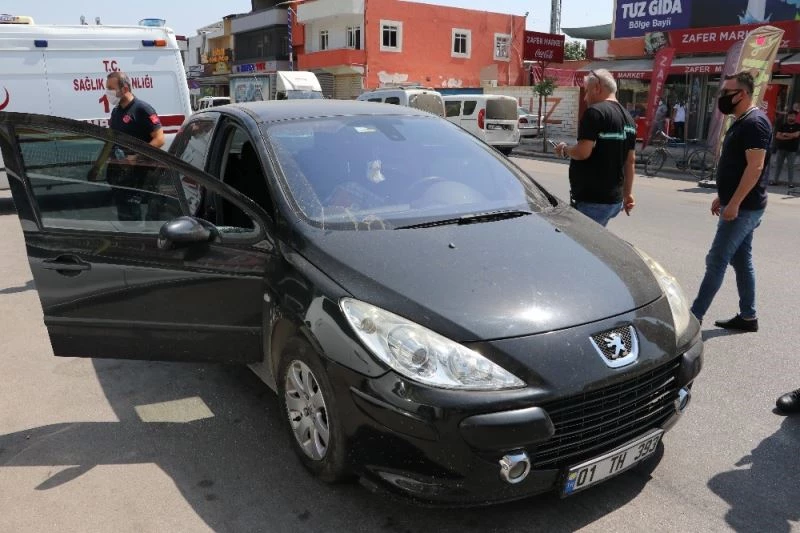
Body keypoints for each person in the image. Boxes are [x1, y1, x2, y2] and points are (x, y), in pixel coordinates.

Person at [690, 72, 771, 332]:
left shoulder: (755, 123)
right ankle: (748, 317)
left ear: (742, 94)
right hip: (740, 204)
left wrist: (734, 203)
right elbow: (737, 166)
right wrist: (723, 197)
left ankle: (694, 317)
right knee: (740, 259)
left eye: (726, 92)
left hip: (744, 208)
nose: (722, 97)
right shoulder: (741, 121)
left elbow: (755, 167)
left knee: (716, 259)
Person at [555, 69, 636, 226]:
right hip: (614, 200)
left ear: (597, 87)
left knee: (583, 245)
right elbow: (630, 161)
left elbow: (582, 152)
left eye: (587, 91)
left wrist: (564, 149)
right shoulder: (628, 118)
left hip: (593, 200)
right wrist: (628, 194)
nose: (585, 98)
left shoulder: (595, 112)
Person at [103, 71, 164, 220]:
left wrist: (136, 157)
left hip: (141, 176)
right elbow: (112, 140)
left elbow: (159, 139)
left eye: (111, 88)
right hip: (123, 177)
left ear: (124, 89)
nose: (107, 93)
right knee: (126, 218)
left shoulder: (142, 109)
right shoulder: (117, 112)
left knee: (140, 219)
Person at [770, 110, 799, 189]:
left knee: (791, 167)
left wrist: (785, 134)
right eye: (790, 116)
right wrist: (791, 136)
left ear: (795, 117)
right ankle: (775, 181)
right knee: (778, 166)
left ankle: (790, 183)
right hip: (781, 149)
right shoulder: (783, 125)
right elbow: (778, 136)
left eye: (793, 116)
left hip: (792, 150)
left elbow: (796, 135)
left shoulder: (798, 126)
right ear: (788, 116)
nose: (791, 117)